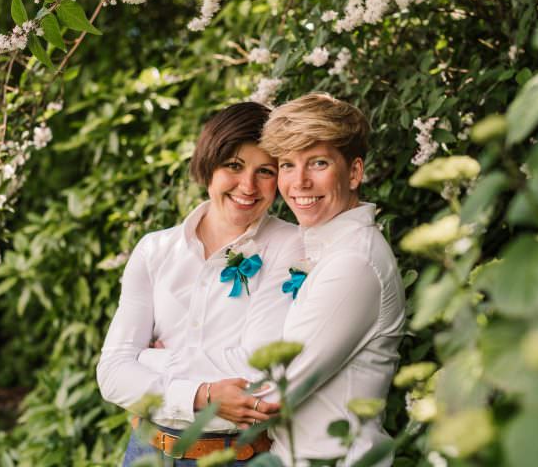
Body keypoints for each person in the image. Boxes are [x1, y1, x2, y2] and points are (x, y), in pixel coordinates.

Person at [96, 102, 303, 466]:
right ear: (208, 165)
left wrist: (150, 360)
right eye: (234, 166)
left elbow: (260, 376)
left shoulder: (292, 246)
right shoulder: (154, 250)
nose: (248, 186)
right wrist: (204, 394)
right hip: (146, 451)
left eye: (265, 171)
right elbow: (112, 374)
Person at [256, 92, 406, 465]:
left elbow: (275, 393)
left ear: (354, 172)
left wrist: (175, 378)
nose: (299, 182)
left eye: (317, 163)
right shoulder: (320, 248)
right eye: (287, 165)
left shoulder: (353, 262)